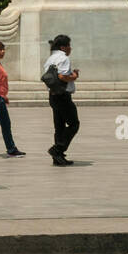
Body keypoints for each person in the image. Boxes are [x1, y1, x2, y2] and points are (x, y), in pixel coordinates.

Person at [43, 34, 80, 166]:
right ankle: (57, 149)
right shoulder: (63, 58)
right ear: (63, 47)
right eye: (69, 45)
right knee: (74, 124)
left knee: (59, 126)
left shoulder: (51, 58)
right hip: (63, 96)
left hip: (53, 96)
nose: (70, 48)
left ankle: (58, 158)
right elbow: (62, 76)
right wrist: (74, 76)